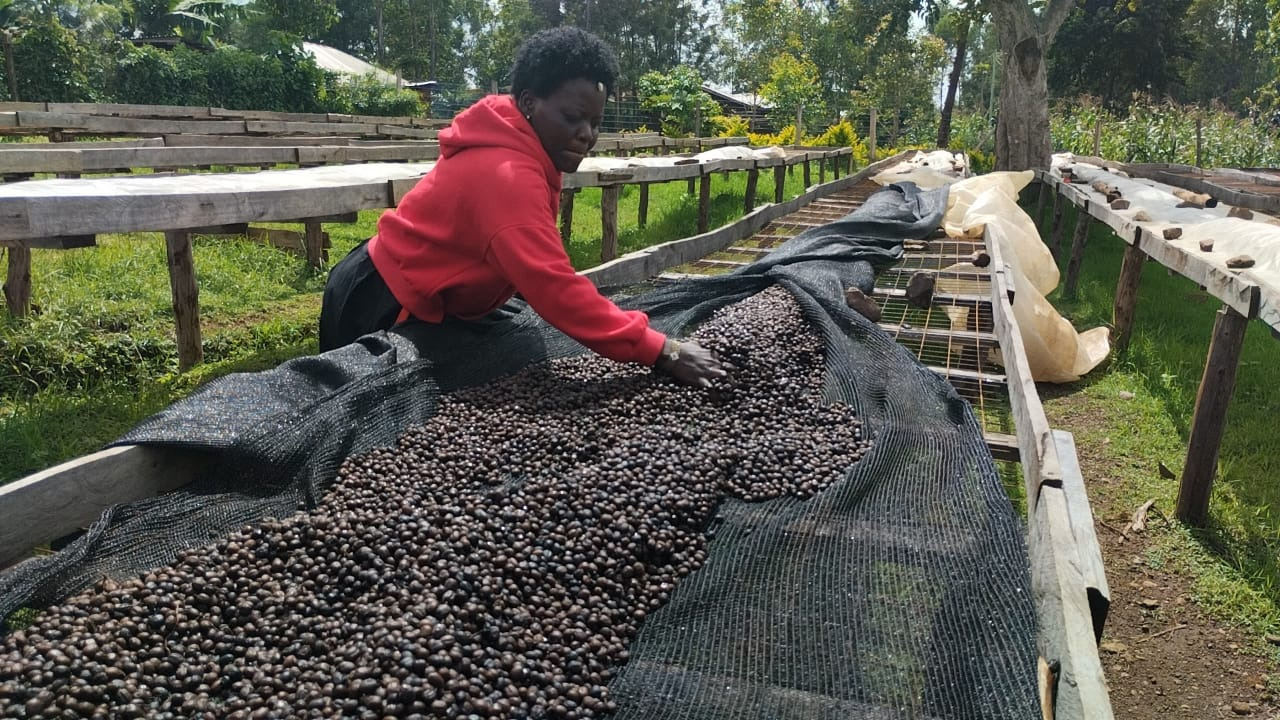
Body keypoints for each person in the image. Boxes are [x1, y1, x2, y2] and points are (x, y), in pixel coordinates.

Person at [318, 26, 726, 387]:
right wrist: (664, 350)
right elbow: (554, 289)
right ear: (529, 102)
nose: (586, 135)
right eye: (573, 117)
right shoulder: (506, 175)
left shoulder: (524, 148)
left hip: (424, 290)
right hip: (384, 297)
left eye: (596, 123)